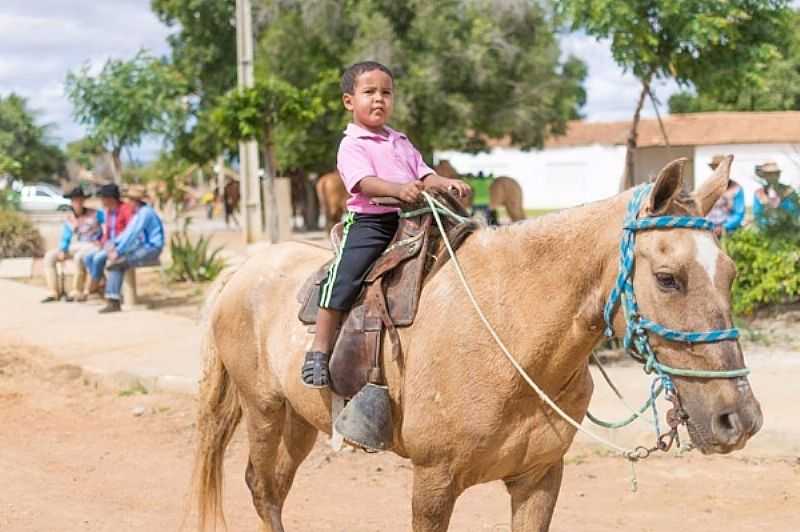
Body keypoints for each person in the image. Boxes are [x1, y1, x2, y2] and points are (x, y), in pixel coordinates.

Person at [301, 61, 470, 388]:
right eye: (369, 92)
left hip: (413, 219)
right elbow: (363, 181)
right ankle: (319, 350)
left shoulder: (401, 141)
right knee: (345, 276)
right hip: (371, 223)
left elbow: (424, 174)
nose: (379, 99)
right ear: (349, 101)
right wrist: (397, 189)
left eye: (386, 93)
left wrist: (445, 182)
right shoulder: (353, 143)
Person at [98, 185, 165, 314]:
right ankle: (113, 297)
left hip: (152, 248)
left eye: (129, 200)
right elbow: (127, 233)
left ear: (135, 200)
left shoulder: (145, 213)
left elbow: (132, 234)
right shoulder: (139, 212)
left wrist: (118, 251)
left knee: (118, 263)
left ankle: (113, 300)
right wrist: (113, 244)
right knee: (117, 261)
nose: (127, 203)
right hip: (144, 247)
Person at [41, 186, 104, 303]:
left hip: (94, 244)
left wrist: (103, 240)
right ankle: (53, 292)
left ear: (83, 200)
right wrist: (62, 250)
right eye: (75, 200)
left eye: (80, 200)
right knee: (50, 256)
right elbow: (66, 237)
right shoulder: (70, 219)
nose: (77, 203)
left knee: (79, 256)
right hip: (79, 244)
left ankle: (76, 290)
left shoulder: (96, 214)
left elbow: (108, 226)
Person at [80, 183, 134, 301]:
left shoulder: (125, 209)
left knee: (98, 258)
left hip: (121, 246)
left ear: (111, 198)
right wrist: (102, 242)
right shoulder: (108, 212)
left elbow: (130, 231)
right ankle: (101, 282)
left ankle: (91, 288)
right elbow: (107, 233)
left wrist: (113, 246)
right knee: (88, 257)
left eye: (103, 198)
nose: (101, 201)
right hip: (109, 245)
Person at [705, 154, 745, 236]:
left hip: (729, 232)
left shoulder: (736, 188)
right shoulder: (707, 188)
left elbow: (739, 214)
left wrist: (724, 227)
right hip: (709, 231)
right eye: (715, 168)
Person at [752, 162, 799, 229]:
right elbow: (757, 215)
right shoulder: (759, 193)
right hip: (766, 230)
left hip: (787, 228)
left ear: (778, 175)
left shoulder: (789, 191)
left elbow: (794, 212)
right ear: (764, 176)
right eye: (768, 174)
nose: (771, 177)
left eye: (774, 174)